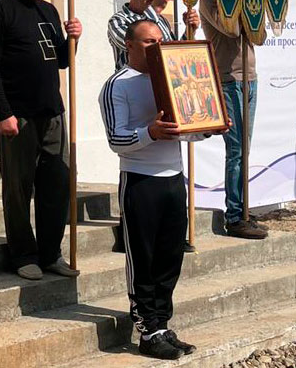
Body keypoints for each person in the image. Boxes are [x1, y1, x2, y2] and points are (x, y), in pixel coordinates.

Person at [99, 20, 220, 360]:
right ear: (129, 45)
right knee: (143, 258)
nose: (157, 46)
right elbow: (115, 140)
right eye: (148, 41)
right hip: (140, 180)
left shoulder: (171, 74)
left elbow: (185, 127)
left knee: (170, 257)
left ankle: (163, 324)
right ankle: (147, 329)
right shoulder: (116, 85)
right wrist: (149, 132)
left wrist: (206, 125)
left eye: (160, 40)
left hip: (173, 178)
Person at [0, 0, 82, 280]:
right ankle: (23, 254)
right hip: (17, 115)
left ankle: (51, 252)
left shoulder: (49, 11)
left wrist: (73, 40)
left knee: (57, 185)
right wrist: (2, 112)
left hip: (52, 113)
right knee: (19, 188)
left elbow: (61, 60)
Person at [198, 0, 267, 239]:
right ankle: (235, 216)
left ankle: (244, 208)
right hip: (228, 80)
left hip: (250, 78)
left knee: (244, 151)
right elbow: (233, 29)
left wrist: (253, 11)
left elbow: (260, 36)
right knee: (236, 150)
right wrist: (244, 8)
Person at [107, 0, 199, 71]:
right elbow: (136, 48)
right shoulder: (118, 21)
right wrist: (155, 10)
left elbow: (174, 52)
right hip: (133, 82)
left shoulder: (160, 19)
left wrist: (189, 30)